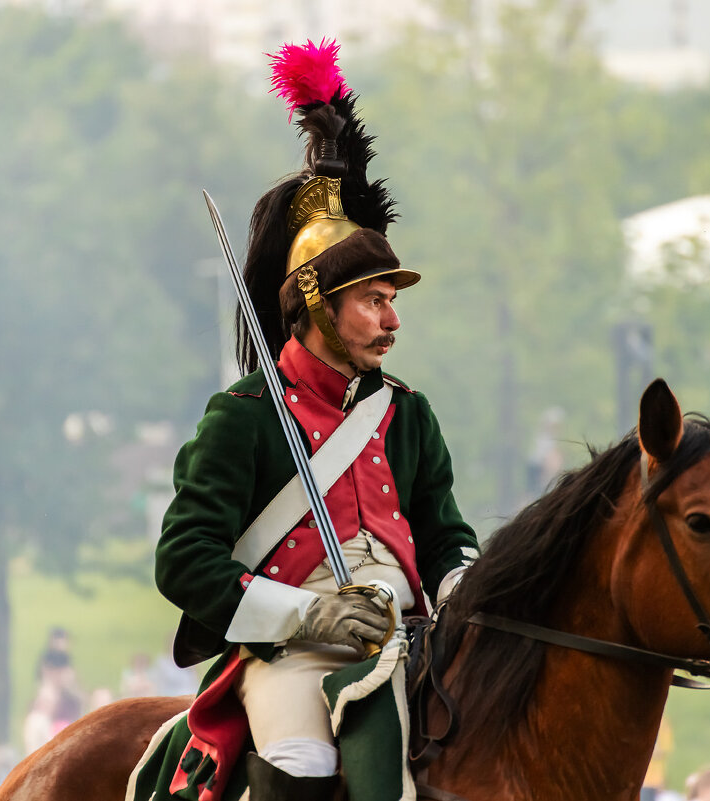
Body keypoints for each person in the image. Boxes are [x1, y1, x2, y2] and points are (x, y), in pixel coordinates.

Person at [147, 39, 478, 801]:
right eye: (374, 300)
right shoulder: (243, 419)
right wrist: (310, 612)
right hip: (296, 646)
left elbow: (444, 535)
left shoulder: (406, 413)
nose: (393, 320)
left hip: (410, 638)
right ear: (315, 307)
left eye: (394, 300)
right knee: (301, 766)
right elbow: (185, 560)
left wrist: (464, 585)